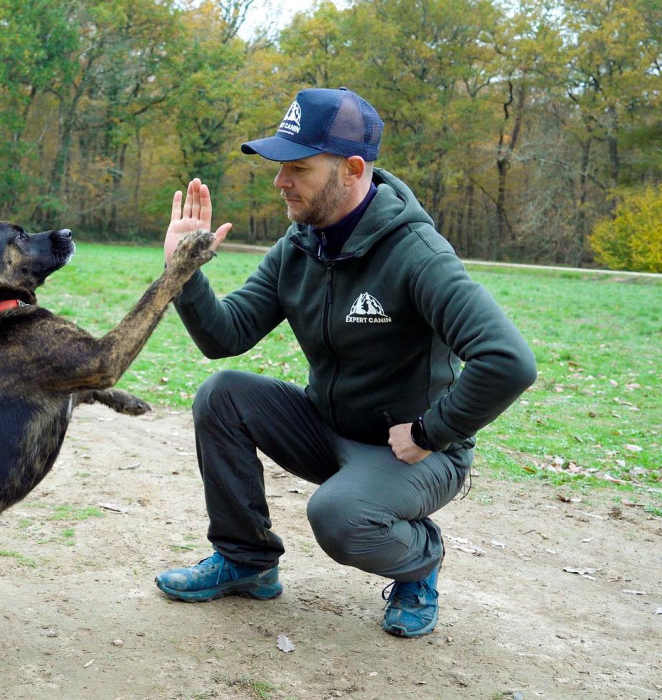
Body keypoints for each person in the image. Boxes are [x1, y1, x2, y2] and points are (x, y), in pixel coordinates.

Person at [154, 87, 537, 638]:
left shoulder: (418, 254)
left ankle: (420, 559)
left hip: (414, 453)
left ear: (353, 169)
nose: (280, 181)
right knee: (223, 392)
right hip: (328, 428)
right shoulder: (301, 244)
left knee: (338, 518)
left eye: (298, 169)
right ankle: (247, 561)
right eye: (280, 166)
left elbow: (509, 360)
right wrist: (184, 271)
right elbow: (226, 335)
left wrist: (434, 430)